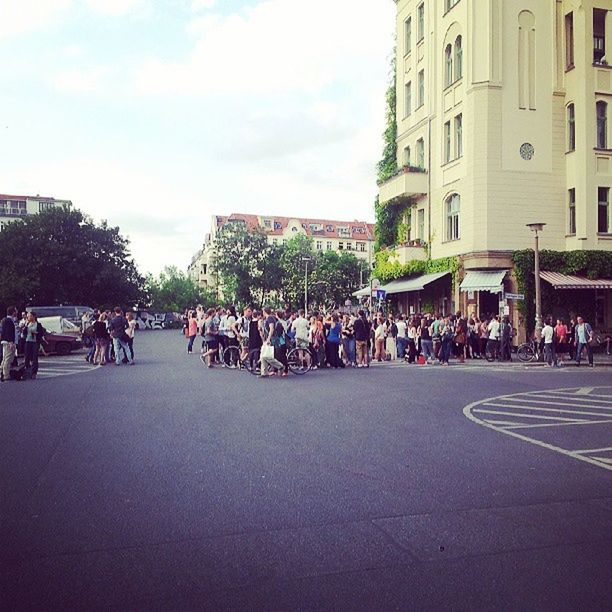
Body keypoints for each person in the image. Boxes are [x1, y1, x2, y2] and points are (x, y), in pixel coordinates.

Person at [260, 307, 284, 377]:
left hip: (272, 339)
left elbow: (271, 329)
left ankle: (280, 366)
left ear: (264, 312)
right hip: (270, 338)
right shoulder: (270, 318)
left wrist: (268, 339)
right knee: (264, 355)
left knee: (267, 356)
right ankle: (264, 372)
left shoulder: (270, 318)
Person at [1, 306, 17, 382]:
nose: (17, 312)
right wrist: (11, 342)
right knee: (8, 359)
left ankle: (2, 373)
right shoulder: (8, 320)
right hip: (8, 342)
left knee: (5, 358)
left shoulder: (6, 320)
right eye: (15, 310)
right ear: (13, 312)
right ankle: (6, 375)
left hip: (6, 342)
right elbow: (8, 332)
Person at [23, 311, 39, 377]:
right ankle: (27, 370)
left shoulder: (38, 324)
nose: (28, 317)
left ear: (33, 316)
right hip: (28, 341)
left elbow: (41, 334)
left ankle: (34, 372)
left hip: (34, 342)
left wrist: (36, 333)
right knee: (27, 357)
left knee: (34, 357)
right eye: (27, 316)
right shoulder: (27, 324)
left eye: (29, 316)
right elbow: (24, 333)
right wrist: (25, 326)